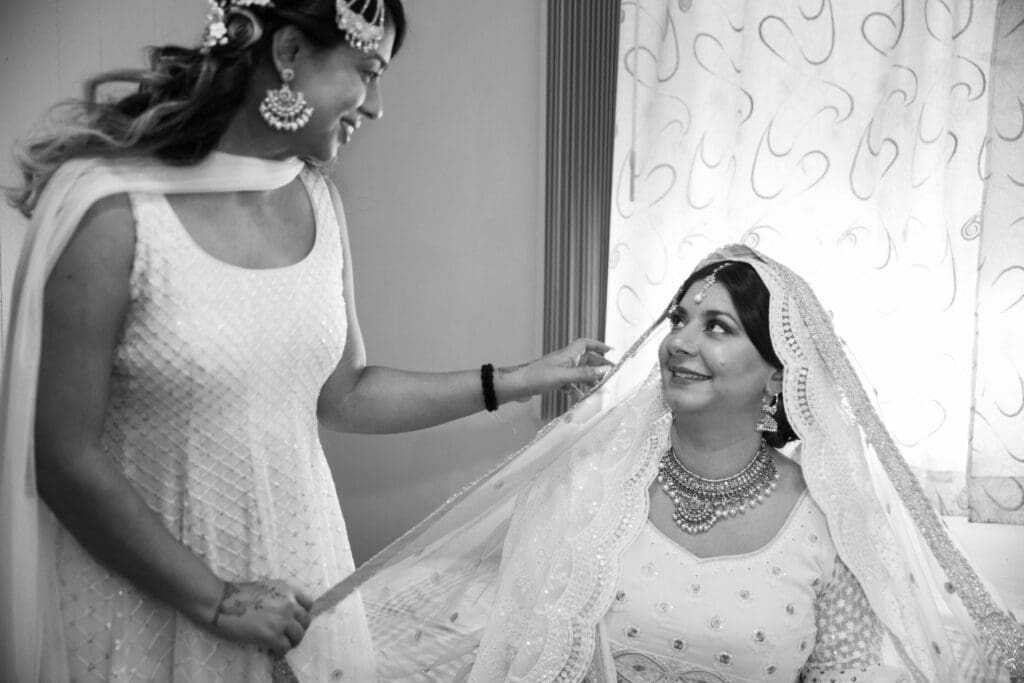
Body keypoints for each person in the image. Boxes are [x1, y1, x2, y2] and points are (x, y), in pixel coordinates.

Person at [0, 1, 611, 681]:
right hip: (148, 593)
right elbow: (63, 457)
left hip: (300, 565)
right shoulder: (115, 215)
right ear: (289, 53)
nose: (375, 104)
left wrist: (518, 380)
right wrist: (215, 599)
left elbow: (344, 395)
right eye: (366, 71)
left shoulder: (317, 200)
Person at [306, 244, 1024, 681]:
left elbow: (843, 670)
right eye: (679, 319)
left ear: (778, 373)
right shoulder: (588, 487)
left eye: (717, 327)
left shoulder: (829, 518)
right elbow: (534, 655)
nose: (680, 342)